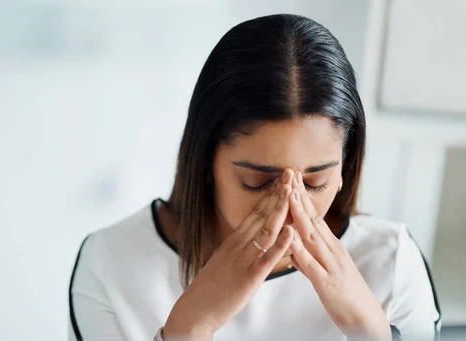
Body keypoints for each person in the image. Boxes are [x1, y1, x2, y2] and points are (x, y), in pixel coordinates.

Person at [68, 14, 441, 341]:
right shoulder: (111, 264)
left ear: (345, 169)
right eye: (258, 182)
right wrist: (188, 330)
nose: (290, 208)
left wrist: (372, 331)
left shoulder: (392, 263)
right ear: (205, 165)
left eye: (315, 183)